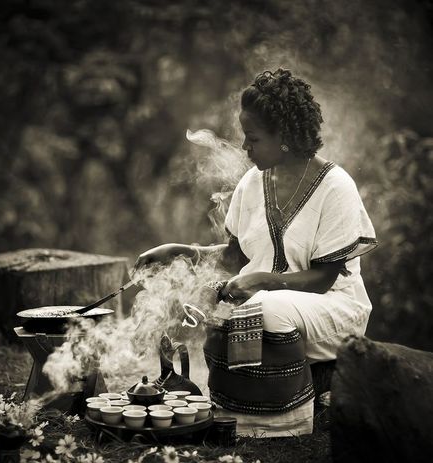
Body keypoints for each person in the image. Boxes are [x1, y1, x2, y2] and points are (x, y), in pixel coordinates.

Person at [135, 68, 377, 436]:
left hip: (333, 310)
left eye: (253, 138)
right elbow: (235, 257)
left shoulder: (336, 187)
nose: (245, 147)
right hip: (265, 307)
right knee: (221, 305)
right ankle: (232, 406)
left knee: (262, 308)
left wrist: (263, 280)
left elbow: (324, 279)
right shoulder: (252, 183)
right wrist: (182, 251)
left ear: (285, 137)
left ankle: (277, 424)